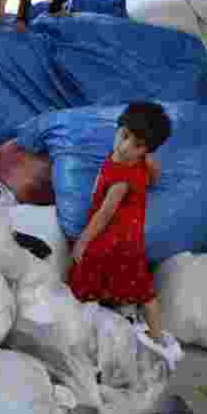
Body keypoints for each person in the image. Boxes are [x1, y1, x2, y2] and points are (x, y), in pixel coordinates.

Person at [66, 102, 171, 343]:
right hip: (128, 234)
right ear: (119, 128)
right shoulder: (140, 161)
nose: (124, 148)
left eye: (136, 145)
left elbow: (104, 214)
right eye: (124, 136)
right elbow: (152, 174)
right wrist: (149, 168)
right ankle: (156, 337)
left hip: (118, 239)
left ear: (145, 149)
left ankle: (157, 341)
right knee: (141, 288)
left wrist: (82, 241)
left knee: (89, 271)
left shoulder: (121, 178)